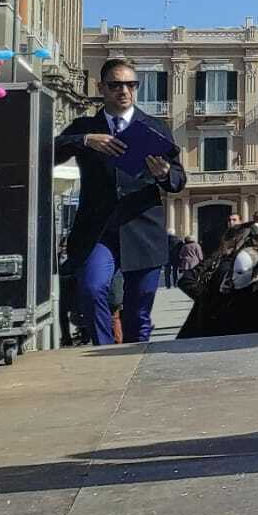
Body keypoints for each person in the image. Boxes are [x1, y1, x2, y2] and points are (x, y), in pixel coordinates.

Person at [55, 57, 188, 345]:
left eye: (130, 84)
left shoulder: (154, 127)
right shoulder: (85, 126)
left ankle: (135, 362)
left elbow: (178, 179)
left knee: (138, 314)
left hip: (143, 231)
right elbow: (49, 151)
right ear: (102, 87)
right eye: (115, 84)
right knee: (91, 290)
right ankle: (105, 356)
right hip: (98, 231)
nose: (124, 91)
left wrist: (164, 173)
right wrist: (85, 140)